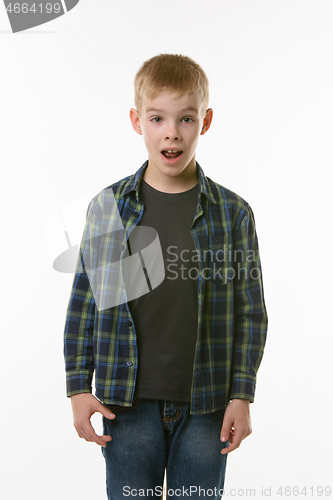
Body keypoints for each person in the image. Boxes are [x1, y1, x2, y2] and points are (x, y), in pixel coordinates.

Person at [64, 53, 268, 499]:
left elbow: (251, 313)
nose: (172, 131)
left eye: (186, 118)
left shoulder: (232, 214)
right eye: (158, 118)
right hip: (126, 406)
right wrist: (78, 385)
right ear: (138, 121)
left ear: (205, 121)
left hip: (208, 406)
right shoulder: (110, 207)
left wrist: (242, 395)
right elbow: (85, 303)